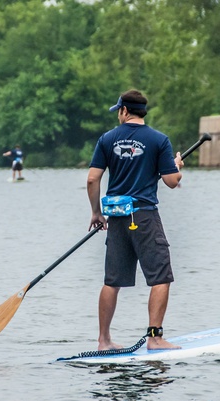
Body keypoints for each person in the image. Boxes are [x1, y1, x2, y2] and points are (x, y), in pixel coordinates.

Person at [86, 89, 184, 351]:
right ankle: (154, 338)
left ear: (125, 110)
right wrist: (177, 167)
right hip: (144, 216)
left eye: (118, 110)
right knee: (161, 277)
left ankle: (103, 340)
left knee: (112, 280)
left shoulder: (106, 139)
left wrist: (97, 213)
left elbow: (92, 179)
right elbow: (172, 182)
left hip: (116, 217)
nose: (118, 115)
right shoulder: (159, 140)